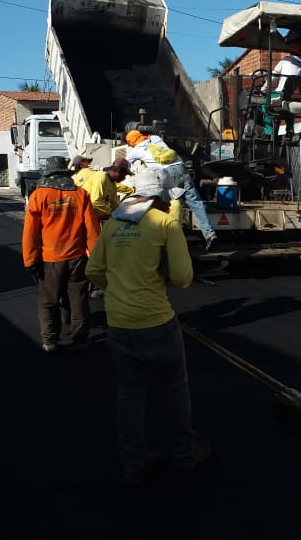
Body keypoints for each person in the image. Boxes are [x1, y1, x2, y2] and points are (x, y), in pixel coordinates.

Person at [86, 169, 212, 484]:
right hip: (157, 323)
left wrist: (116, 289)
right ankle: (184, 454)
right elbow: (183, 278)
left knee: (129, 394)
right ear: (161, 195)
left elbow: (93, 270)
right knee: (175, 387)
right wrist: (158, 278)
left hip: (118, 325)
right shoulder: (164, 224)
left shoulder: (114, 223)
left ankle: (133, 464)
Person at [22, 156, 101, 353]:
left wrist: (30, 259)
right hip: (77, 257)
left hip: (50, 259)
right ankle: (80, 338)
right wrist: (97, 256)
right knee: (78, 298)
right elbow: (92, 229)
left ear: (47, 174)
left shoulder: (39, 196)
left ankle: (50, 341)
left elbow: (30, 232)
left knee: (48, 301)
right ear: (66, 174)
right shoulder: (80, 194)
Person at [125, 130, 216, 250]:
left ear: (131, 142)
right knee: (196, 202)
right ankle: (210, 234)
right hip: (181, 168)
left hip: (165, 174)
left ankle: (163, 237)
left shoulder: (135, 150)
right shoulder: (155, 138)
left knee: (162, 203)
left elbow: (124, 164)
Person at [269, 43, 301, 139]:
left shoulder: (285, 60)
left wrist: (263, 88)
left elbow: (273, 76)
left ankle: (268, 132)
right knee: (289, 105)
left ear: (290, 52)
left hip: (281, 95)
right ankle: (290, 130)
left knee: (264, 103)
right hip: (299, 99)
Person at [70, 154, 119, 220]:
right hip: (95, 211)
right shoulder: (94, 173)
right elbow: (113, 184)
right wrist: (131, 190)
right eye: (87, 162)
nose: (90, 164)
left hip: (83, 213)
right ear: (82, 163)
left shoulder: (75, 179)